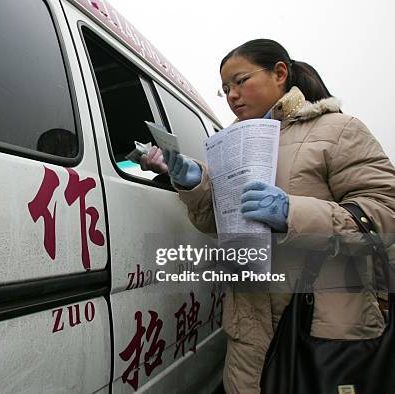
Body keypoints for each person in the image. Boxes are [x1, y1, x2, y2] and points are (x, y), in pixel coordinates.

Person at [141, 39, 395, 393]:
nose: (232, 95)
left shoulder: (337, 130)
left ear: (279, 74)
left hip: (322, 326)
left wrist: (292, 212)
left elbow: (385, 212)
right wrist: (196, 184)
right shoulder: (230, 143)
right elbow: (219, 225)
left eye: (241, 80)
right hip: (249, 329)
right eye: (225, 88)